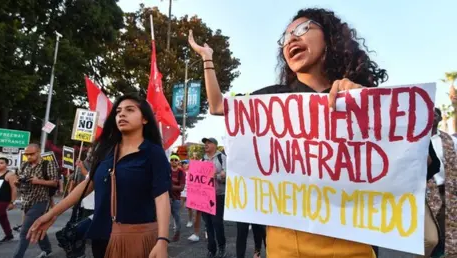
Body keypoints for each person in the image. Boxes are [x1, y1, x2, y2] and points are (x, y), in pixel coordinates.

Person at [188, 7, 438, 258]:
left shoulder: (364, 98)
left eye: (302, 29)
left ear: (330, 38)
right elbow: (218, 106)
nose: (291, 39)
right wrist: (207, 57)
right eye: (285, 38)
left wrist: (367, 109)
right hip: (286, 244)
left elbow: (419, 162)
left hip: (353, 245)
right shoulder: (271, 100)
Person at [27, 93, 171, 258]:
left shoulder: (153, 153)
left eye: (130, 110)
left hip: (135, 238)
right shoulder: (107, 151)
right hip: (101, 237)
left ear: (145, 119)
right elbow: (88, 185)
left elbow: (162, 197)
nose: (122, 114)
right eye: (118, 111)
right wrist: (52, 214)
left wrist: (162, 240)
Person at [12, 144, 58, 258]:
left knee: (25, 231)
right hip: (26, 200)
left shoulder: (47, 164)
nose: (29, 157)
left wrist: (38, 181)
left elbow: (54, 182)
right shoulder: (24, 165)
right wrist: (17, 182)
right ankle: (47, 249)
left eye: (31, 154)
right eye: (27, 154)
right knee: (37, 226)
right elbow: (19, 179)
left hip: (41, 200)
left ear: (38, 152)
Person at [427, 108, 457, 257]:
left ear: (439, 119)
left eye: (436, 113)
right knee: (431, 235)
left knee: (449, 232)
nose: (433, 115)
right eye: (429, 112)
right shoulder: (418, 140)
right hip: (426, 193)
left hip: (449, 192)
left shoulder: (451, 140)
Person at [200, 137, 227, 258]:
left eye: (209, 143)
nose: (206, 145)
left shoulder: (222, 158)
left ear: (215, 145)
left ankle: (222, 247)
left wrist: (215, 175)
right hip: (204, 197)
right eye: (205, 143)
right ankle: (211, 249)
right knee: (207, 224)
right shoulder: (202, 160)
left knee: (217, 223)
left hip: (218, 196)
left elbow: (227, 175)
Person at [169, 155, 185, 242]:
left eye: (176, 160)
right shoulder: (166, 171)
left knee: (176, 217)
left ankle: (177, 233)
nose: (174, 161)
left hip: (176, 198)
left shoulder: (181, 172)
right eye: (172, 159)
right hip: (166, 198)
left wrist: (169, 186)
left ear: (178, 161)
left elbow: (181, 187)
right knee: (165, 216)